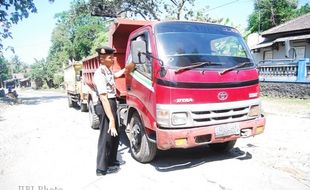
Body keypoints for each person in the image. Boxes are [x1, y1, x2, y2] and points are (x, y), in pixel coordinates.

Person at [94, 45, 126, 176]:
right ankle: (101, 168)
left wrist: (127, 68)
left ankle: (112, 161)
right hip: (105, 105)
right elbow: (103, 97)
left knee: (115, 135)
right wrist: (111, 119)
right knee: (106, 137)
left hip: (112, 103)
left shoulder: (107, 70)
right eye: (110, 57)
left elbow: (116, 75)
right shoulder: (99, 73)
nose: (113, 59)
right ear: (102, 59)